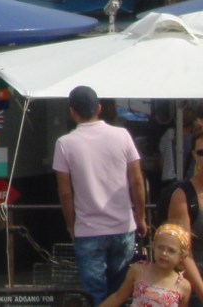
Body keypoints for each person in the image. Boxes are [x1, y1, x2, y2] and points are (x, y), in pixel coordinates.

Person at [54, 84, 147, 306]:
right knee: (120, 292)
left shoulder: (64, 143)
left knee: (94, 294)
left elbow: (65, 192)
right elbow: (136, 181)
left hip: (88, 230)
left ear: (72, 111)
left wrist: (71, 224)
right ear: (99, 107)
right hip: (123, 227)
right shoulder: (122, 135)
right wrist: (141, 217)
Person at [99, 223, 192, 307]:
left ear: (182, 256)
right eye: (160, 247)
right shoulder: (139, 270)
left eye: (171, 251)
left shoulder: (183, 286)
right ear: (154, 246)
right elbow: (118, 297)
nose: (164, 253)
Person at [166, 126, 203, 302]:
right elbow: (183, 253)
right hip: (196, 284)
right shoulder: (183, 195)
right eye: (202, 152)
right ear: (194, 155)